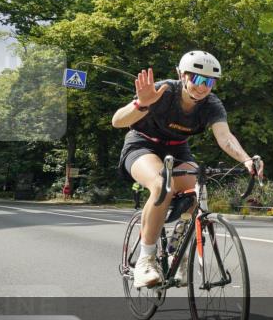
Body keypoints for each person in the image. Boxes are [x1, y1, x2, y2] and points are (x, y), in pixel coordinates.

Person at [112, 51, 263, 288]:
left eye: (210, 82)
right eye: (198, 79)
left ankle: (176, 251)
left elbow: (225, 137)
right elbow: (117, 121)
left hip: (177, 149)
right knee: (163, 184)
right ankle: (146, 259)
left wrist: (245, 159)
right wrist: (141, 104)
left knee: (198, 189)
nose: (203, 87)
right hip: (141, 144)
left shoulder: (211, 105)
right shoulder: (163, 92)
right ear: (182, 75)